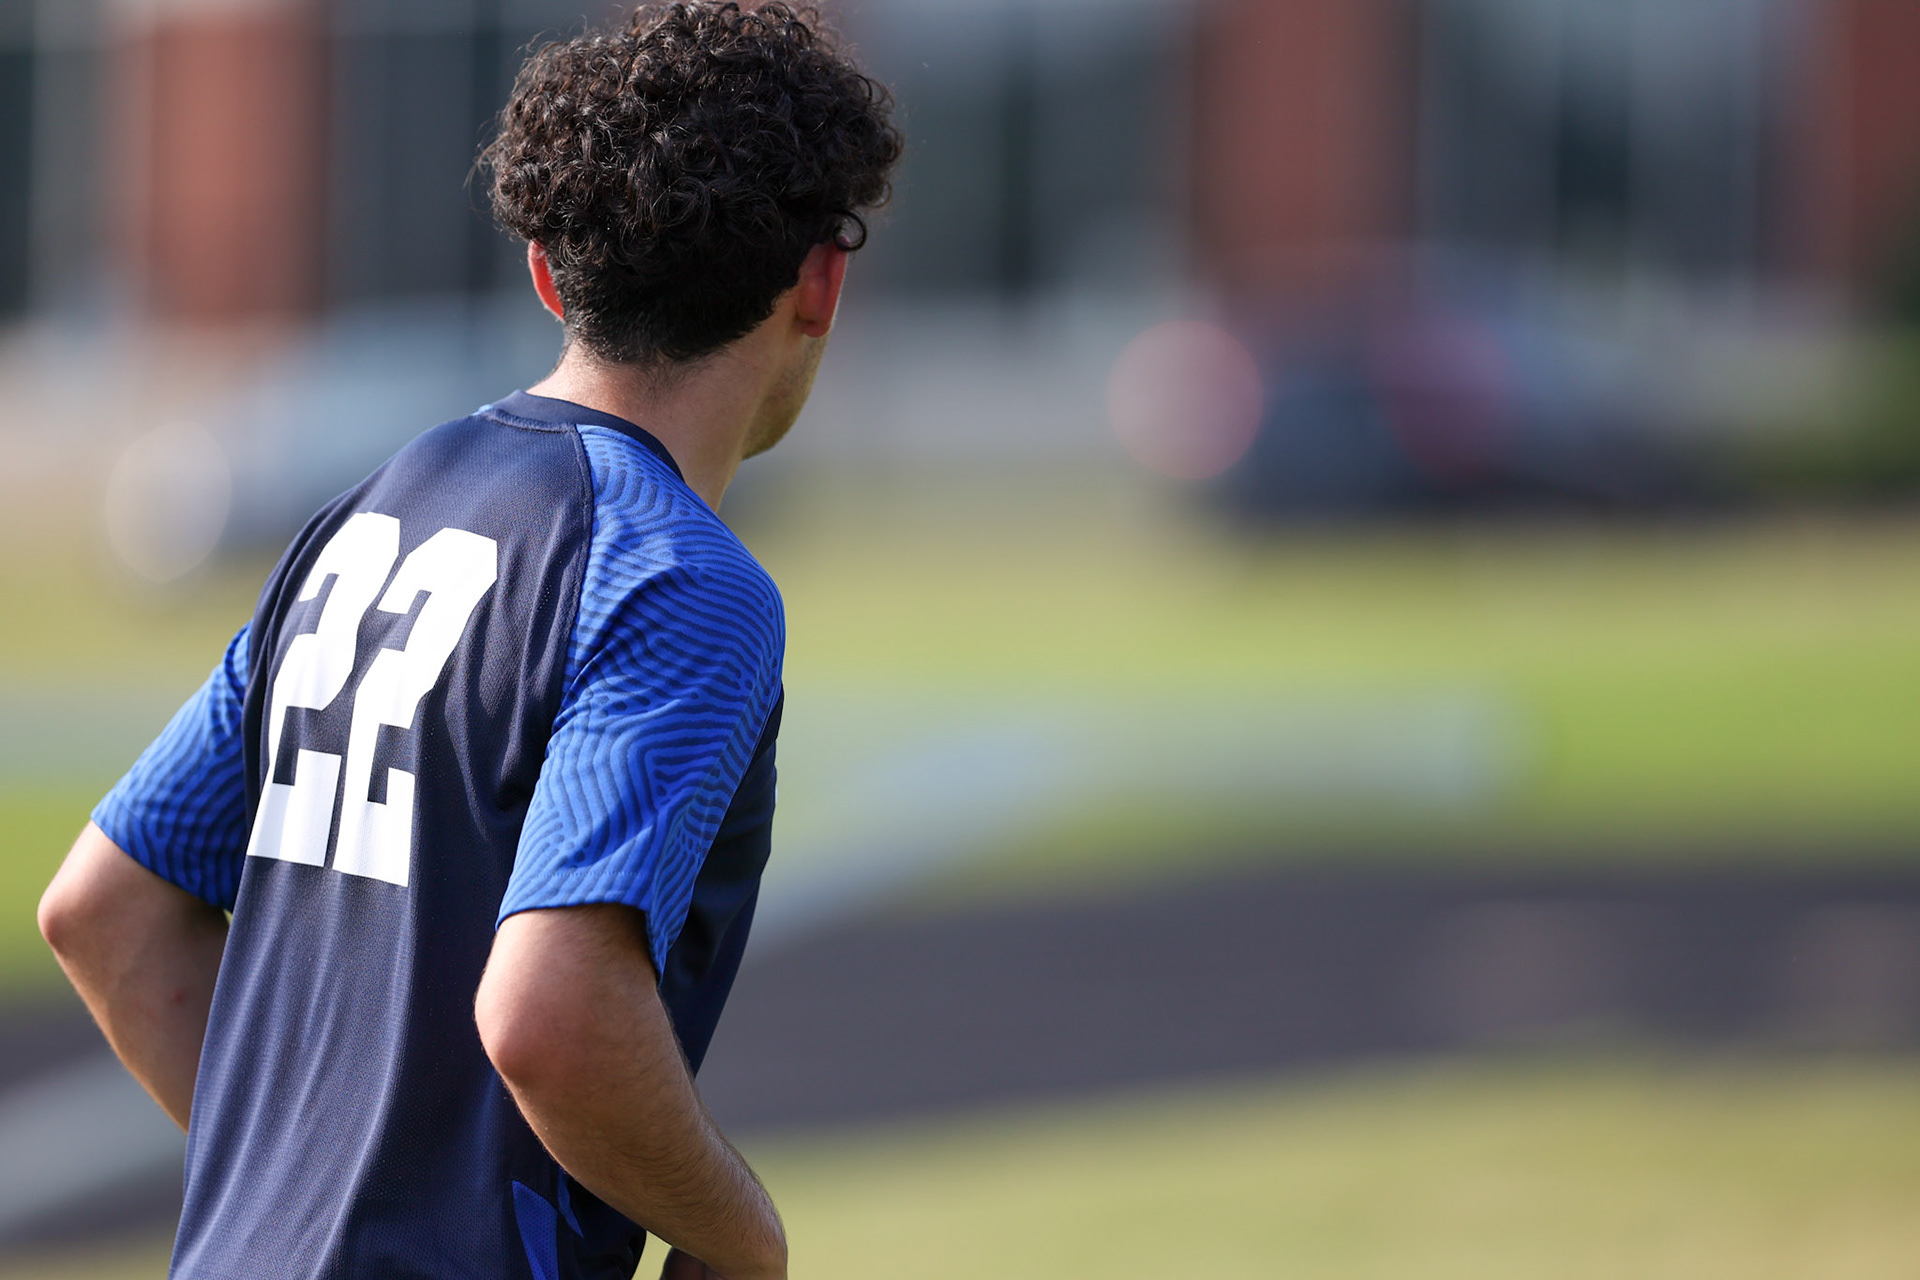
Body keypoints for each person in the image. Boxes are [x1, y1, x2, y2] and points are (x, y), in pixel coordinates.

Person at [36, 5, 901, 1277]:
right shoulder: (678, 577)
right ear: (820, 286)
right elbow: (549, 1011)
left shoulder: (379, 499)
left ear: (551, 274)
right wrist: (746, 1238)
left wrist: (303, 1190)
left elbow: (105, 909)